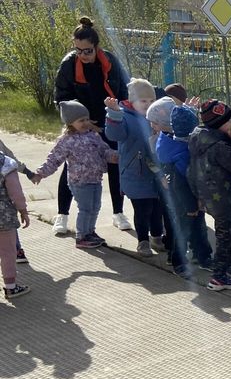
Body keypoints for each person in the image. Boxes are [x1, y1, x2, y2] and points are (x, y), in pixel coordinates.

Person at [53, 16, 131, 235]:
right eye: (78, 50)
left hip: (108, 123)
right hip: (80, 125)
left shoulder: (110, 61)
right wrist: (83, 122)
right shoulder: (69, 64)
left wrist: (117, 116)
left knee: (115, 164)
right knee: (72, 166)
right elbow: (62, 98)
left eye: (87, 50)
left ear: (96, 47)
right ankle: (62, 215)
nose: (82, 55)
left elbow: (122, 93)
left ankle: (118, 212)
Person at [31, 101, 116, 250]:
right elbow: (54, 159)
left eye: (86, 119)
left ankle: (90, 232)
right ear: (70, 123)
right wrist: (40, 173)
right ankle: (82, 236)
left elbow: (104, 150)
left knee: (95, 207)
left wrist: (113, 156)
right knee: (85, 208)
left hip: (95, 178)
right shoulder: (66, 141)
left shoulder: (93, 135)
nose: (85, 123)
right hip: (79, 181)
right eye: (80, 121)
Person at [150, 98, 212, 275]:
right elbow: (180, 182)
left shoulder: (171, 138)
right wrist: (191, 206)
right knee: (184, 230)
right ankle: (179, 262)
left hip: (188, 193)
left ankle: (202, 257)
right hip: (184, 197)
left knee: (197, 227)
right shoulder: (177, 149)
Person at [105, 80, 166, 257]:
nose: (147, 105)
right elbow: (114, 134)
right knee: (142, 210)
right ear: (132, 101)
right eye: (142, 101)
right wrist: (114, 114)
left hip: (156, 172)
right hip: (136, 173)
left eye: (150, 101)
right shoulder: (124, 116)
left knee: (157, 208)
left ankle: (156, 237)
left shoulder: (155, 116)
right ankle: (143, 241)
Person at [189, 99, 231, 291]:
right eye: (229, 121)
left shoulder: (198, 139)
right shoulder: (219, 146)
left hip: (207, 195)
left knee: (227, 231)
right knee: (227, 234)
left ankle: (230, 268)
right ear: (219, 123)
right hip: (222, 197)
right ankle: (219, 276)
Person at [1, 151, 32, 299]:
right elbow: (16, 192)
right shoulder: (5, 163)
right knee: (8, 252)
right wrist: (23, 210)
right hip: (4, 217)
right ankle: (10, 287)